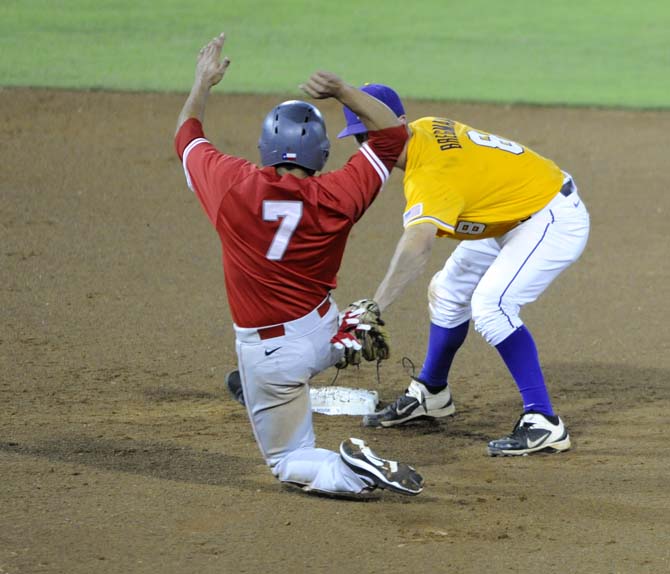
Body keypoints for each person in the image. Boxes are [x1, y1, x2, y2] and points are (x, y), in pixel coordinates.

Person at [174, 33, 424, 497]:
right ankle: (300, 363)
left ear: (265, 147)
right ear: (322, 155)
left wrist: (202, 82)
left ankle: (353, 469)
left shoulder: (232, 186)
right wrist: (343, 91)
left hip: (272, 356)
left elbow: (187, 136)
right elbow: (393, 135)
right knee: (345, 326)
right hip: (324, 330)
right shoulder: (339, 196)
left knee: (288, 460)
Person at [337, 84, 590, 456]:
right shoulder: (423, 129)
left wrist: (375, 306)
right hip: (509, 210)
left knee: (492, 305)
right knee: (449, 290)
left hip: (549, 218)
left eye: (372, 134)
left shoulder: (431, 172)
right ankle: (432, 391)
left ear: (399, 124)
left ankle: (543, 422)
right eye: (360, 137)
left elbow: (418, 246)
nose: (368, 146)